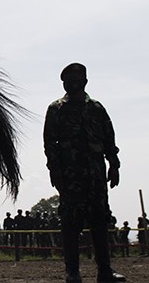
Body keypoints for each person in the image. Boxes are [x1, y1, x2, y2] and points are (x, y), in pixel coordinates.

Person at [44, 63, 126, 283]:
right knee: (71, 224)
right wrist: (54, 170)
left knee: (100, 222)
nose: (72, 83)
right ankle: (72, 272)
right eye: (68, 80)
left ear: (86, 81)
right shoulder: (56, 109)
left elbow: (109, 139)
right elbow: (50, 142)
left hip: (96, 175)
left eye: (77, 79)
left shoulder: (97, 108)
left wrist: (114, 164)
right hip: (71, 177)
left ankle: (105, 271)